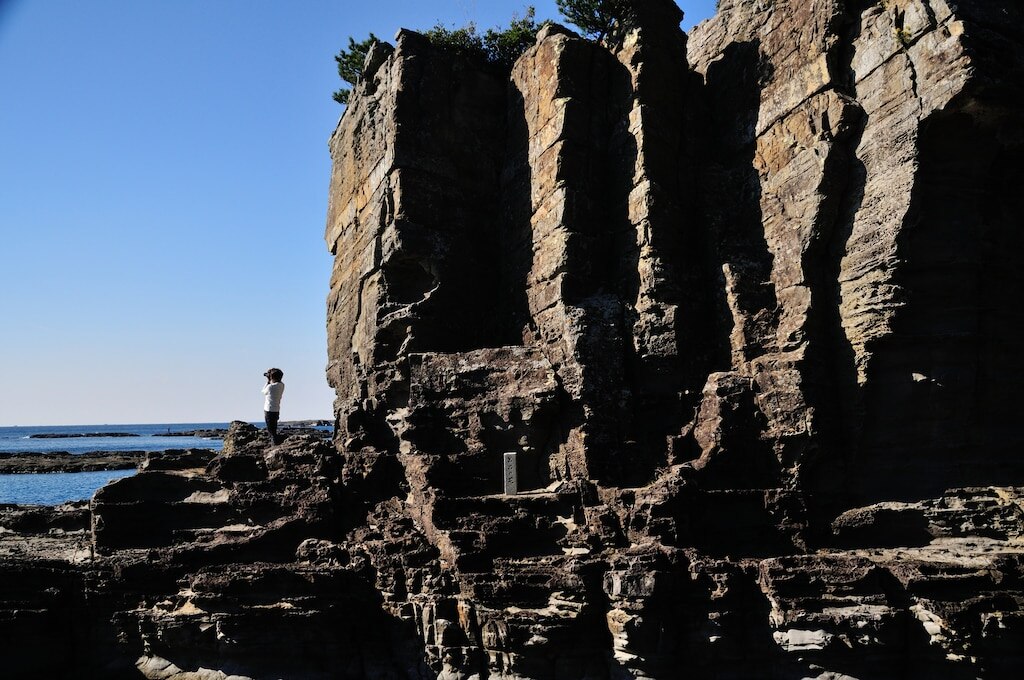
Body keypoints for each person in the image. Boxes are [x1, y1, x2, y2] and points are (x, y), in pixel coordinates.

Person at [262, 368, 285, 444]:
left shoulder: (270, 387)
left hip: (269, 409)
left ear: (272, 377)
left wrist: (268, 381)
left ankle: (274, 444)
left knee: (271, 430)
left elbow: (263, 391)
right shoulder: (282, 385)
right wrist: (270, 378)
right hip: (276, 410)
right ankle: (275, 442)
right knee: (274, 428)